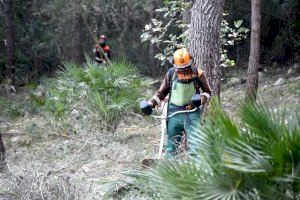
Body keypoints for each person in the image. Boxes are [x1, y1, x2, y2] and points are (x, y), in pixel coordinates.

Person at [147, 48, 212, 157]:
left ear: (190, 63)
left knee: (196, 145)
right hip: (173, 114)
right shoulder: (171, 74)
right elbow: (161, 93)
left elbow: (208, 92)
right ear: (175, 66)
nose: (182, 71)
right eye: (180, 69)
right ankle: (170, 170)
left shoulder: (198, 74)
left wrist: (201, 99)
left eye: (185, 68)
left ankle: (198, 170)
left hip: (192, 113)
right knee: (171, 146)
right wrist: (151, 103)